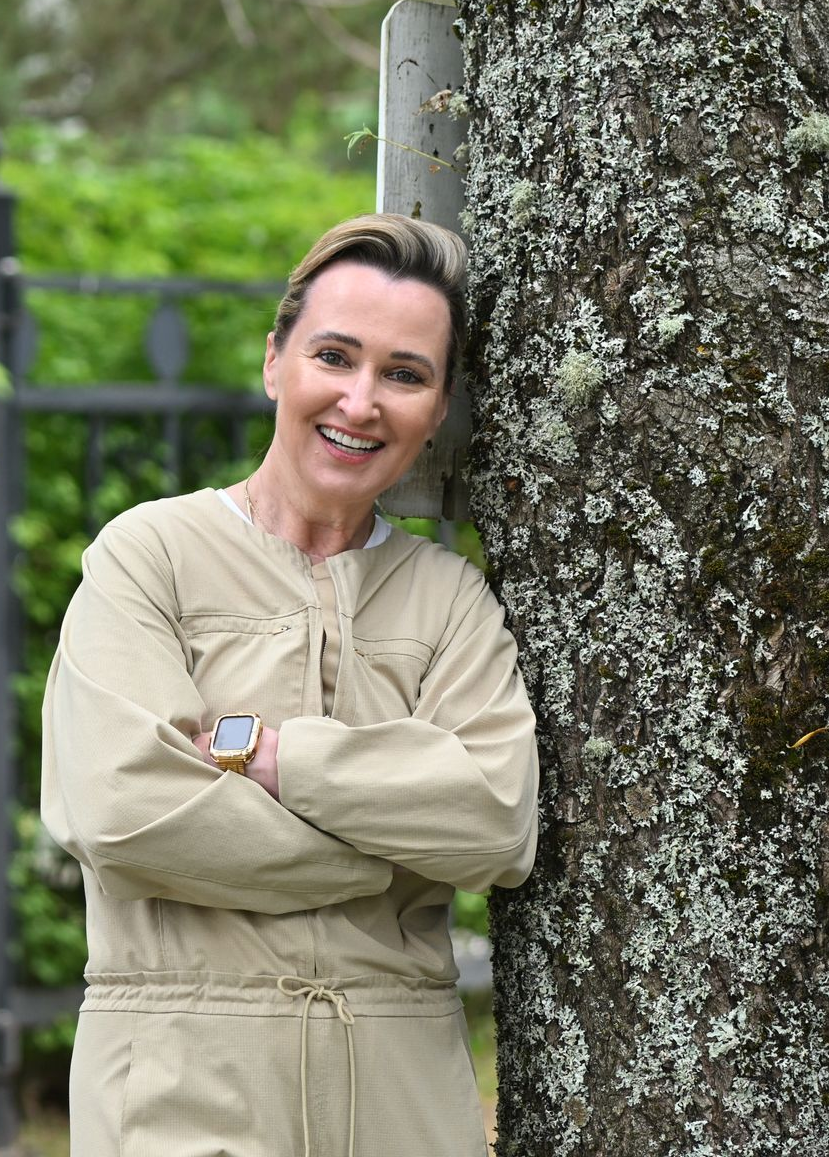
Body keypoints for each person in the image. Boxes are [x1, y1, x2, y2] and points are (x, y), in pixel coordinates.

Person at [41, 213, 539, 1157]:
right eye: (334, 357)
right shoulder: (150, 558)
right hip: (179, 1084)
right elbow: (125, 812)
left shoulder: (449, 601)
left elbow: (496, 820)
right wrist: (390, 856)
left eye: (404, 374)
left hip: (403, 1096)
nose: (361, 401)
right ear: (276, 362)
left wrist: (269, 758)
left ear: (437, 409)